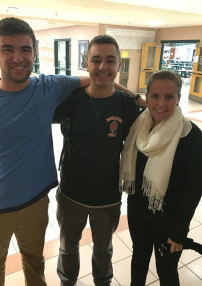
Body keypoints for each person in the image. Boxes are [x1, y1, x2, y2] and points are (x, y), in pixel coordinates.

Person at [0, 17, 90, 286]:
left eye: (25, 49)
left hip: (35, 203)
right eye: (8, 49)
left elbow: (96, 77)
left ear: (34, 53)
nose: (18, 58)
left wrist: (138, 99)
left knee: (35, 261)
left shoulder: (48, 87)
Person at [54, 35, 142, 286]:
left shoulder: (126, 105)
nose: (103, 67)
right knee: (67, 246)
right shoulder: (71, 100)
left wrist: (140, 99)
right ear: (86, 63)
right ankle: (67, 281)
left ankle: (102, 282)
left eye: (110, 60)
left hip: (108, 196)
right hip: (70, 194)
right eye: (96, 60)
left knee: (103, 248)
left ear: (118, 66)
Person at [119, 70, 202, 286]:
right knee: (139, 260)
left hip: (170, 220)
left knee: (166, 272)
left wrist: (179, 231)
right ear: (147, 96)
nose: (161, 103)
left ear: (178, 98)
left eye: (169, 97)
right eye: (155, 96)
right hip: (138, 213)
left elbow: (194, 189)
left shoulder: (190, 135)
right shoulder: (139, 124)